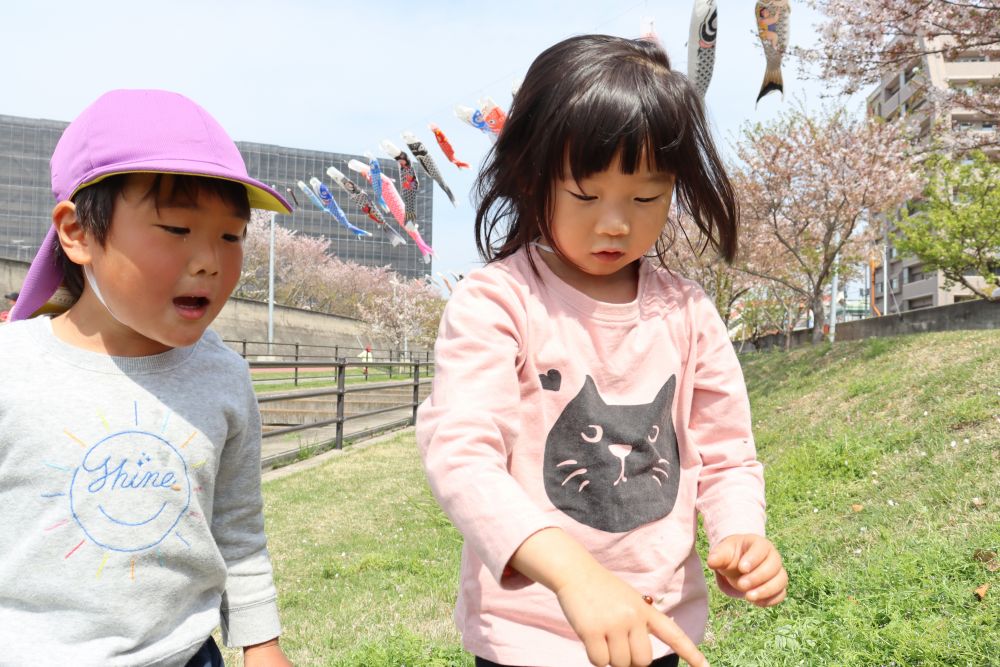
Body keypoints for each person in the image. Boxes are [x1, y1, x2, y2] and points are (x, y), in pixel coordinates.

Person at [417, 35, 787, 667]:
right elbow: (463, 456)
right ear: (532, 177)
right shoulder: (498, 301)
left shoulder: (688, 312)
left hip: (656, 629)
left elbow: (726, 453)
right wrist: (573, 577)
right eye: (586, 196)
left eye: (646, 197)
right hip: (527, 641)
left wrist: (740, 533)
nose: (615, 222)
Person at [0, 90, 292, 666]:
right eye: (176, 228)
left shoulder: (224, 377)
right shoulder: (12, 369)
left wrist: (262, 646)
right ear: (78, 232)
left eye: (231, 236)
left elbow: (238, 530)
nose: (209, 259)